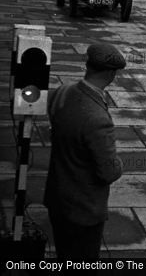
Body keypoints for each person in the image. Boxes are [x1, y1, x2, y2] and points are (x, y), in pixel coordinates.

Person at [44, 43, 126, 265]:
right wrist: (119, 163)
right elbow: (108, 172)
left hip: (57, 197)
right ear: (111, 74)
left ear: (88, 66)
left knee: (65, 255)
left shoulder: (62, 92)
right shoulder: (97, 120)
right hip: (83, 209)